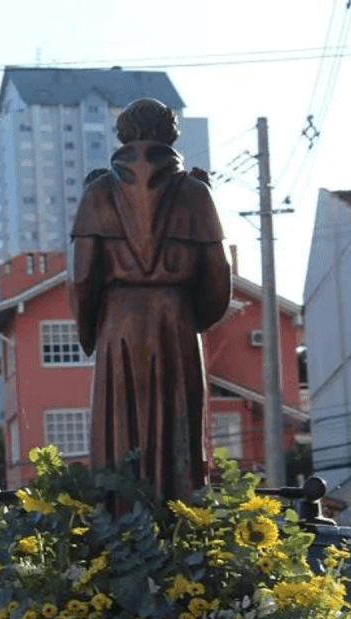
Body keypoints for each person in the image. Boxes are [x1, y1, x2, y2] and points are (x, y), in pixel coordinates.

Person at [68, 97, 233, 503]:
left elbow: (82, 277)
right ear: (171, 134)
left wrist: (90, 333)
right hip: (176, 321)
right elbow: (219, 278)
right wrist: (191, 318)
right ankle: (182, 524)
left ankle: (119, 525)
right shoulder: (196, 193)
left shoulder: (97, 194)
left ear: (122, 135)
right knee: (179, 431)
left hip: (117, 323)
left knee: (119, 433)